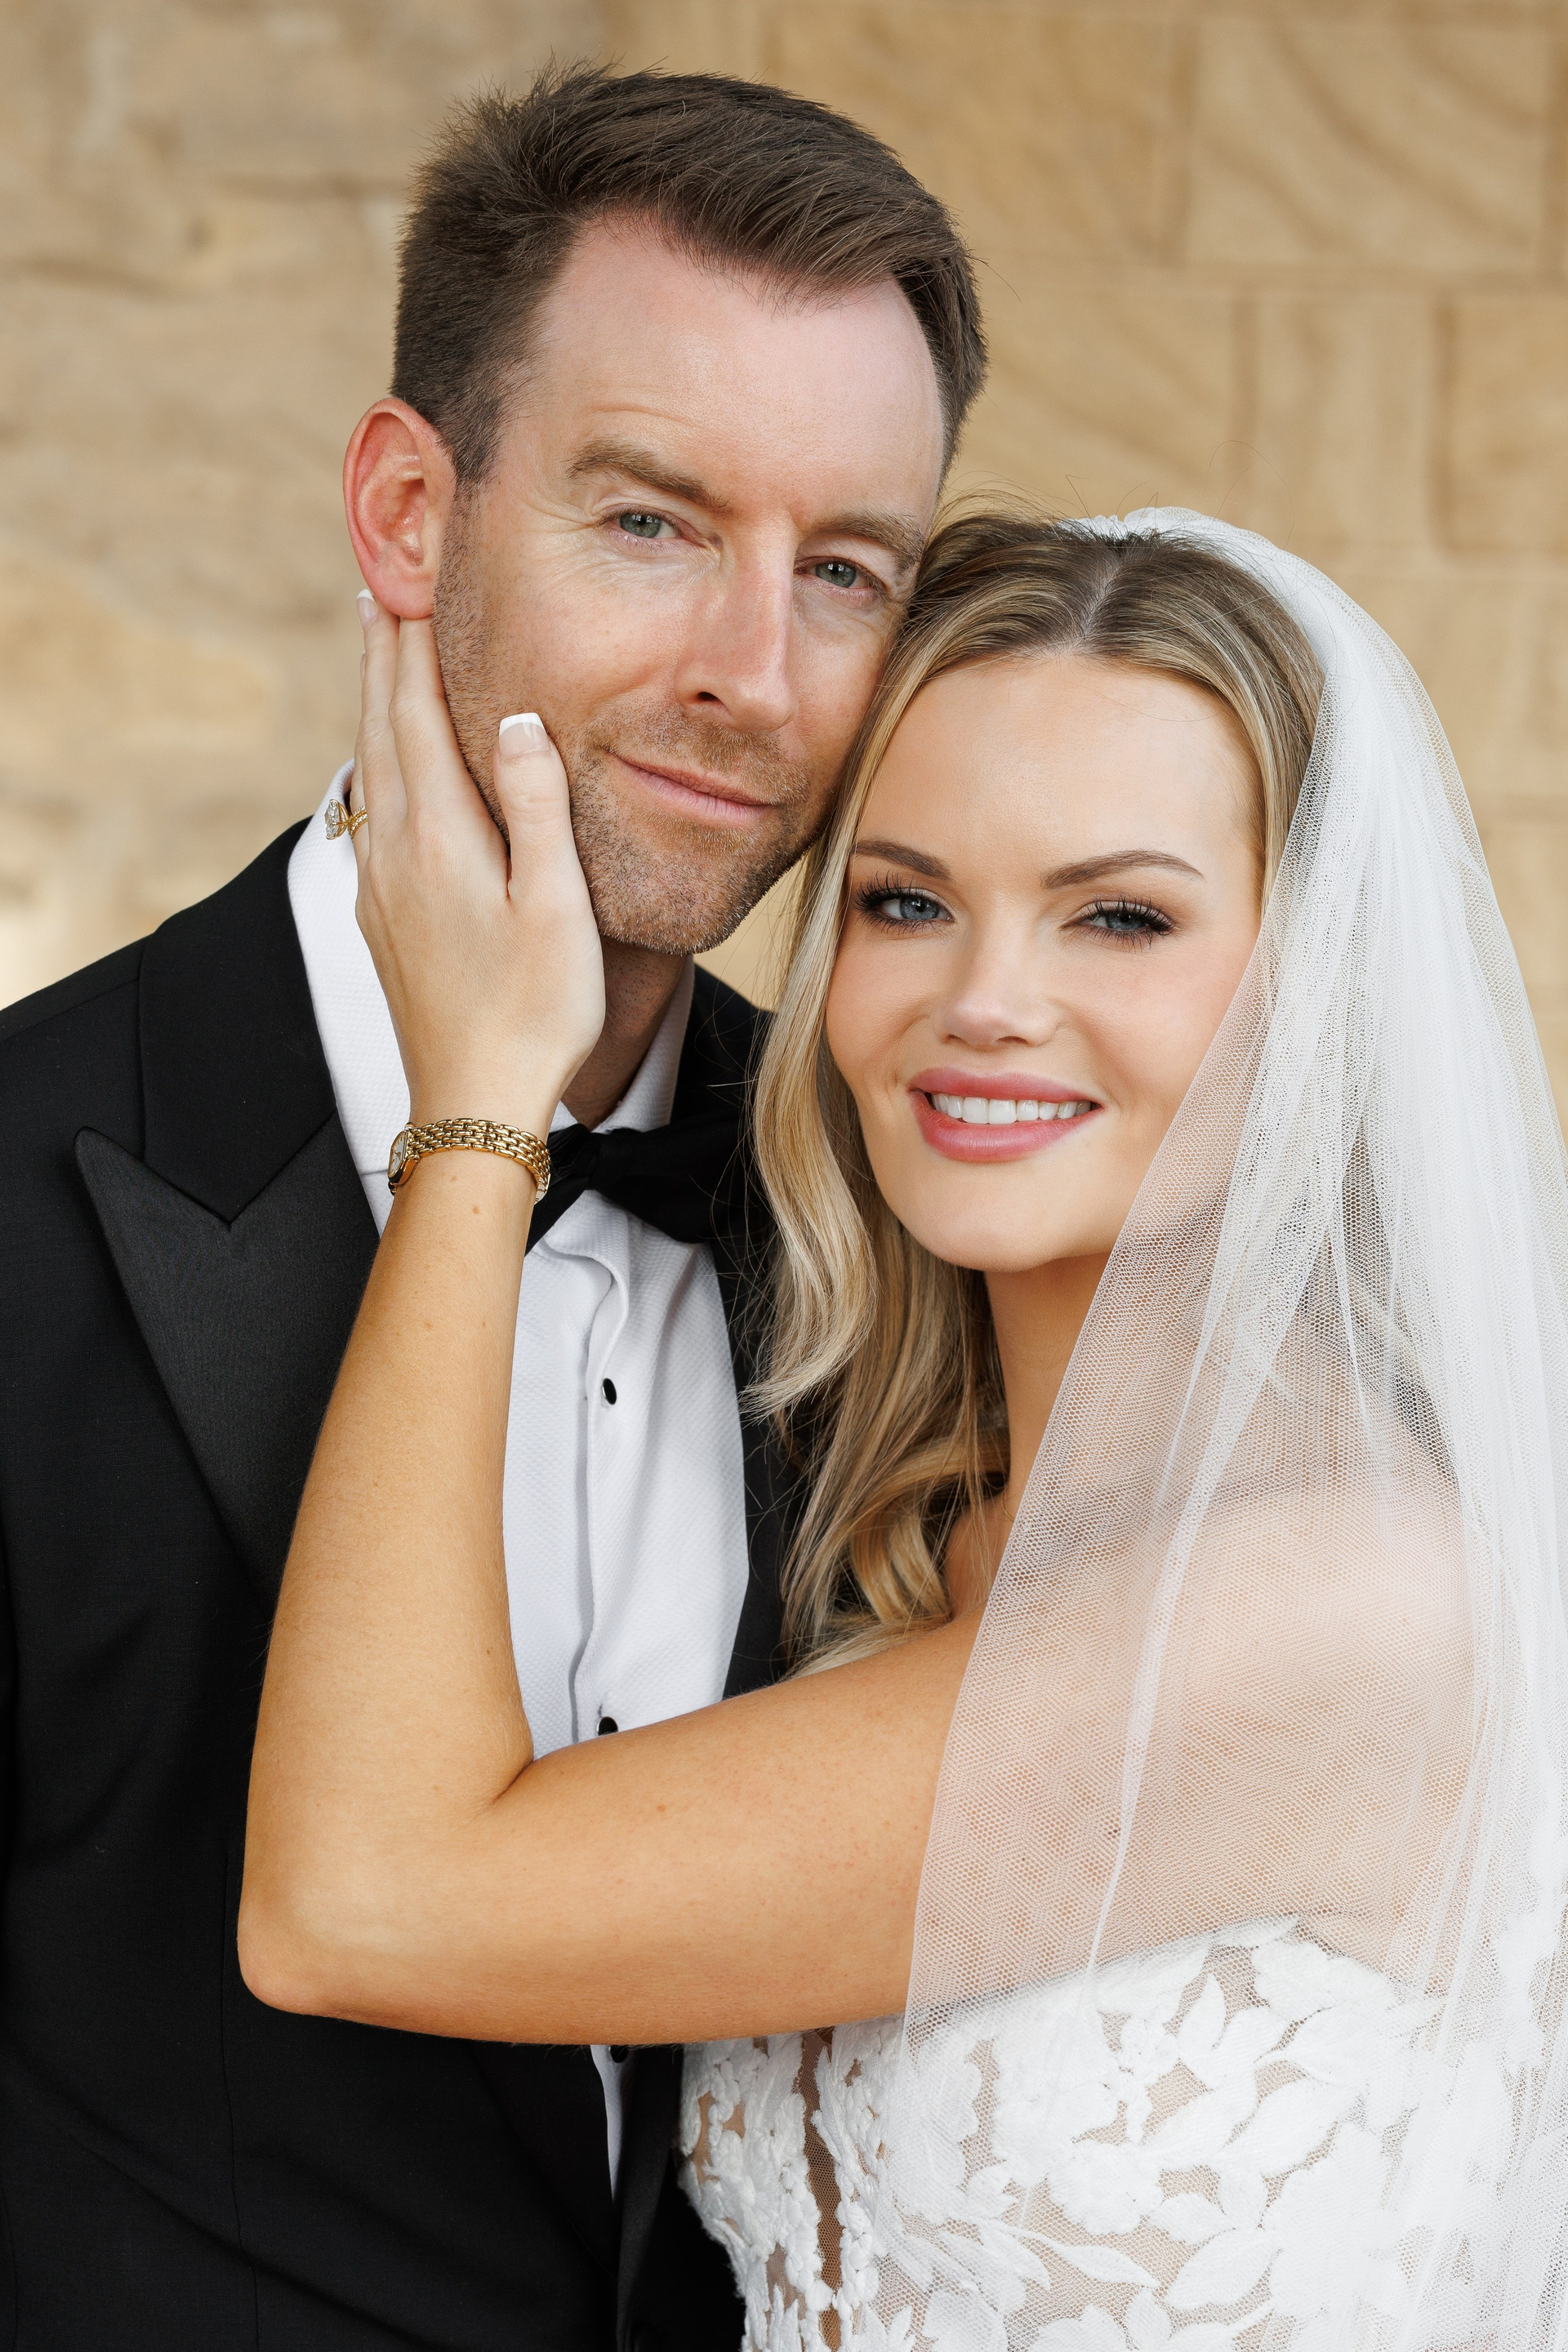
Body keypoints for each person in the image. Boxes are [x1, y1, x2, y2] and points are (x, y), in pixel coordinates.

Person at [243, 507, 1568, 2350]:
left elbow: (366, 1903)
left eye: (1121, 915)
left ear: (1320, 983)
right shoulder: (917, 1529)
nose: (983, 1005)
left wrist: (480, 1101)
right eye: (904, 901)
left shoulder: (1344, 1602)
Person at [0, 64, 984, 2351]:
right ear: (408, 514)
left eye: (848, 569)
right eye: (651, 522)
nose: (755, 675)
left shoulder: (920, 1216)